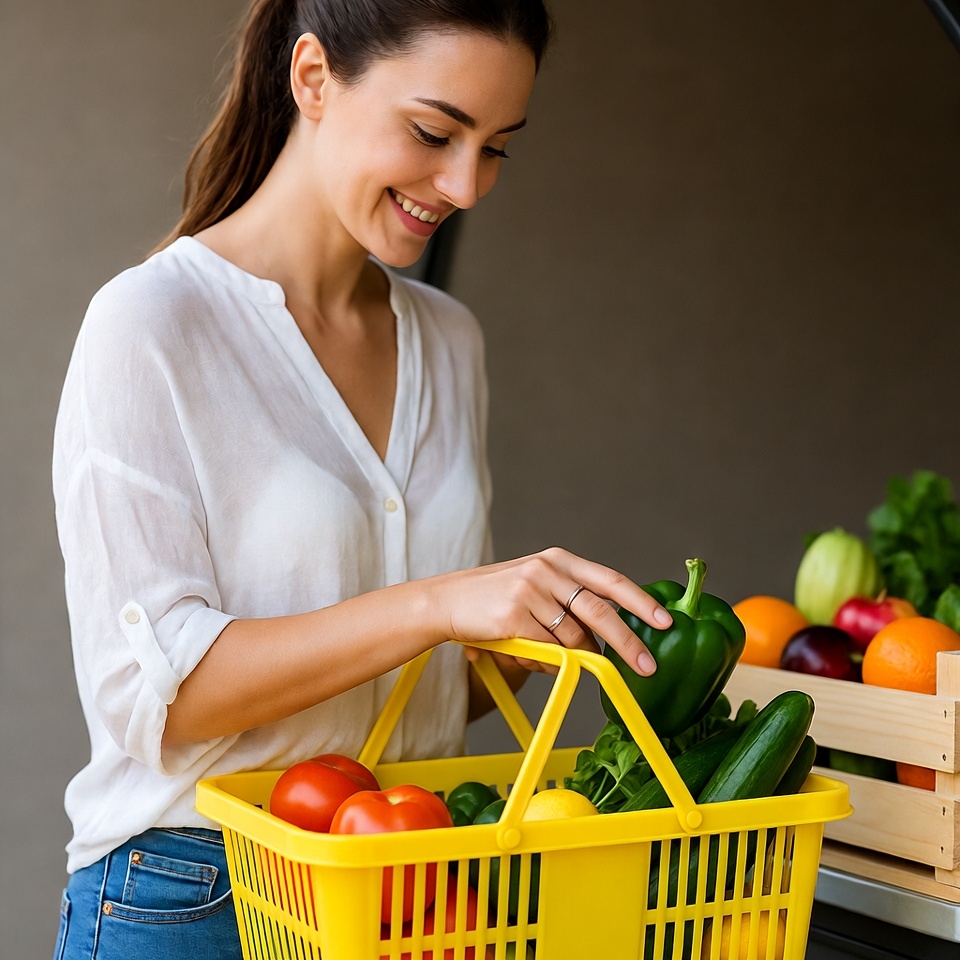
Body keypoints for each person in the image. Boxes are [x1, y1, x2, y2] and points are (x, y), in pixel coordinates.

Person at [50, 1, 672, 957]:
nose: (465, 184)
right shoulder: (153, 324)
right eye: (434, 132)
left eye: (498, 147)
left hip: (416, 890)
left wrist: (527, 635)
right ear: (312, 78)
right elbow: (154, 699)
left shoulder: (449, 342)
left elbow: (419, 692)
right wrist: (437, 604)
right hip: (202, 892)